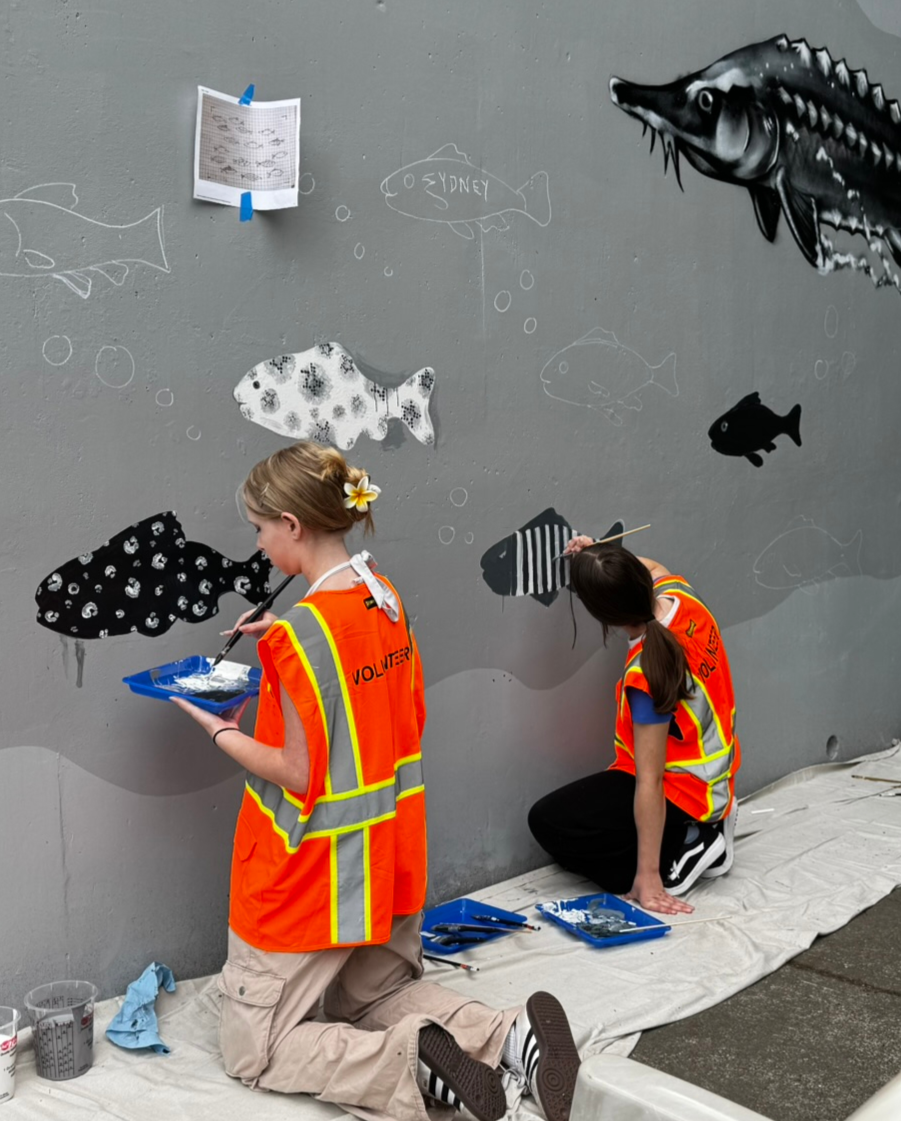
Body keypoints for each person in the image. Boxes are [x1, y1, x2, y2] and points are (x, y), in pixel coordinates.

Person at [172, 441, 581, 1121]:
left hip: (308, 883)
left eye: (259, 527)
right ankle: (511, 1035)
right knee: (366, 998)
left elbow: (298, 770)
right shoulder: (379, 596)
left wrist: (215, 725)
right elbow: (378, 702)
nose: (259, 542)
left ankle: (410, 1058)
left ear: (292, 524)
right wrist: (284, 639)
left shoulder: (302, 634)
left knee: (256, 1053)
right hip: (386, 866)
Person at [528, 540, 740, 916]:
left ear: (605, 617)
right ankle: (698, 830)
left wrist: (647, 877)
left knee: (550, 824)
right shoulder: (680, 596)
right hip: (712, 777)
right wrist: (598, 555)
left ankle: (693, 842)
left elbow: (650, 780)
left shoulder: (647, 675)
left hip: (685, 791)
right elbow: (651, 565)